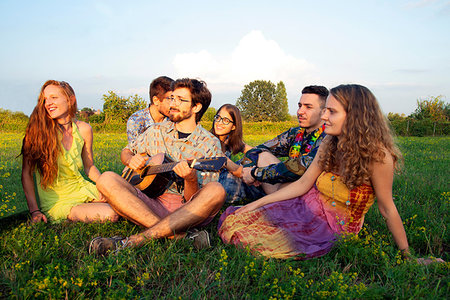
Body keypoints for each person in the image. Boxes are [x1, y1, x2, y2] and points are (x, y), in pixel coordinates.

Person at [218, 84, 414, 260]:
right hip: (308, 204)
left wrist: (407, 255)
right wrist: (257, 204)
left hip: (335, 224)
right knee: (236, 219)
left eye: (331, 111)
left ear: (354, 116)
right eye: (325, 110)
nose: (324, 116)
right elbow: (303, 185)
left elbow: (387, 208)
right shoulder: (330, 143)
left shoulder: (378, 157)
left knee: (252, 240)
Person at [89, 78, 226, 255]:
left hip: (186, 211)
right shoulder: (156, 131)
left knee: (217, 190)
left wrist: (190, 179)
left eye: (180, 100)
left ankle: (134, 240)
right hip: (149, 203)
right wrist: (131, 159)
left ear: (196, 107)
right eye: (172, 98)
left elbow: (196, 200)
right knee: (106, 178)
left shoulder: (209, 144)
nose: (173, 104)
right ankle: (176, 235)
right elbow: (126, 151)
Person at [21, 80, 119, 223]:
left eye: (53, 97)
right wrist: (34, 210)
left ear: (70, 99)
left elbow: (89, 166)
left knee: (124, 200)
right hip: (58, 201)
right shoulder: (37, 132)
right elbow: (26, 173)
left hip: (82, 188)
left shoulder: (84, 129)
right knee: (111, 214)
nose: (48, 103)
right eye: (45, 99)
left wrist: (102, 187)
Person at [210, 104, 264, 203]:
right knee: (246, 174)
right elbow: (234, 169)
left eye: (226, 120)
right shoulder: (209, 140)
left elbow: (255, 152)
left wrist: (256, 166)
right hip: (215, 184)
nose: (219, 123)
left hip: (229, 177)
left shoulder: (228, 140)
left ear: (234, 126)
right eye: (218, 117)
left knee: (254, 160)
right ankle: (273, 193)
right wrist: (253, 173)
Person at [126, 76, 173, 145]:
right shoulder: (136, 121)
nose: (174, 104)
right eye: (170, 99)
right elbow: (134, 151)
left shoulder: (174, 119)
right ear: (156, 100)